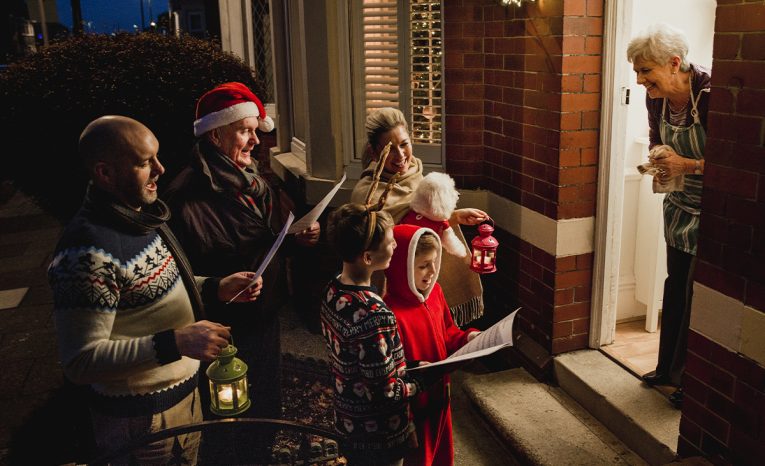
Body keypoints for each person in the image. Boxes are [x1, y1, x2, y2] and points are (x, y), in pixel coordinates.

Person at [47, 115, 263, 465]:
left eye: (157, 157)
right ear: (105, 173)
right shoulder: (86, 253)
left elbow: (154, 286)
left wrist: (215, 287)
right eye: (146, 163)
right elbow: (80, 361)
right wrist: (177, 342)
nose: (161, 169)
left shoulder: (137, 216)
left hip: (181, 397)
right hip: (141, 421)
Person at [163, 82, 320, 431]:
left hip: (264, 315)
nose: (255, 141)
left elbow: (266, 239)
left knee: (265, 407)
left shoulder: (252, 182)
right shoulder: (184, 197)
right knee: (233, 420)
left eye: (254, 131)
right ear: (216, 136)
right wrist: (217, 286)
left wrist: (299, 239)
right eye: (245, 131)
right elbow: (174, 275)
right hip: (223, 329)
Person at [627, 23, 710, 408]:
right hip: (679, 208)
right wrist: (660, 157)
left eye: (646, 71)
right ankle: (668, 370)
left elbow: (738, 164)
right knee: (676, 285)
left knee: (700, 296)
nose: (640, 79)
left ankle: (692, 383)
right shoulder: (658, 100)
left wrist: (687, 164)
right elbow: (657, 137)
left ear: (674, 63)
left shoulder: (711, 96)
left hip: (713, 211)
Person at [350, 107, 488, 326]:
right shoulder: (366, 194)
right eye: (390, 149)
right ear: (375, 153)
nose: (401, 155)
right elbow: (400, 232)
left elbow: (422, 221)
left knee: (438, 326)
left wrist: (455, 217)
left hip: (426, 273)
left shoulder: (416, 174)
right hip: (394, 282)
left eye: (404, 144)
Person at [322, 203, 426, 466]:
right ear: (367, 257)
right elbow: (384, 393)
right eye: (390, 242)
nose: (395, 246)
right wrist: (420, 382)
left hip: (347, 420)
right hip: (378, 434)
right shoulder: (374, 313)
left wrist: (407, 367)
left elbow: (361, 360)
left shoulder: (332, 291)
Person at [384, 225, 480, 466]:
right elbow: (391, 373)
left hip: (441, 396)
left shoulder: (435, 292)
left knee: (441, 453)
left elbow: (448, 333)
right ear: (401, 267)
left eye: (435, 262)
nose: (433, 270)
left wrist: (468, 339)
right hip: (414, 406)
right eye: (423, 265)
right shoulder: (390, 313)